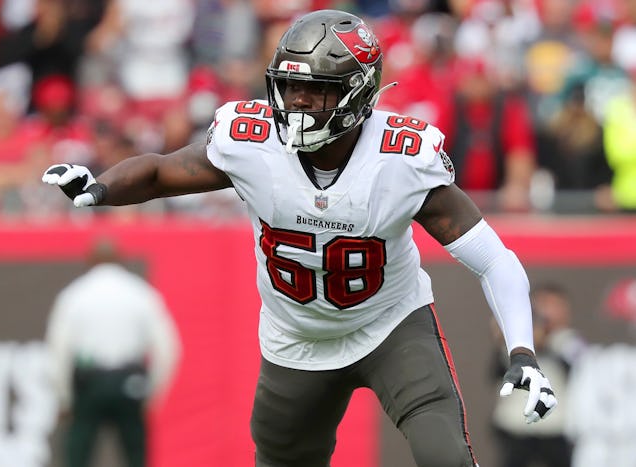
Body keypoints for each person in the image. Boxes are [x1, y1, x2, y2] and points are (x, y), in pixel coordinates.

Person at [42, 10, 557, 467]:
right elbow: (159, 172)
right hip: (294, 341)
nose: (299, 102)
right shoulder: (251, 142)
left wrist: (523, 351)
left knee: (444, 455)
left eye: (318, 89)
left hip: (390, 326)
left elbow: (494, 260)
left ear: (359, 93)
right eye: (290, 87)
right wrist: (101, 186)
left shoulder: (402, 161)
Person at [45, 237, 182, 467]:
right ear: (120, 262)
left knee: (77, 455)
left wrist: (65, 398)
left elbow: (58, 351)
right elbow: (169, 349)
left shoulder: (75, 295)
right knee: (135, 455)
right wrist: (151, 396)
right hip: (130, 382)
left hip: (89, 383)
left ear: (90, 262)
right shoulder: (140, 293)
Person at [490, 283, 586, 467]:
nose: (547, 312)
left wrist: (549, 340)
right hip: (515, 424)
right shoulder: (515, 340)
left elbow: (579, 370)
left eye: (555, 305)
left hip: (557, 425)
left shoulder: (571, 340)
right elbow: (497, 372)